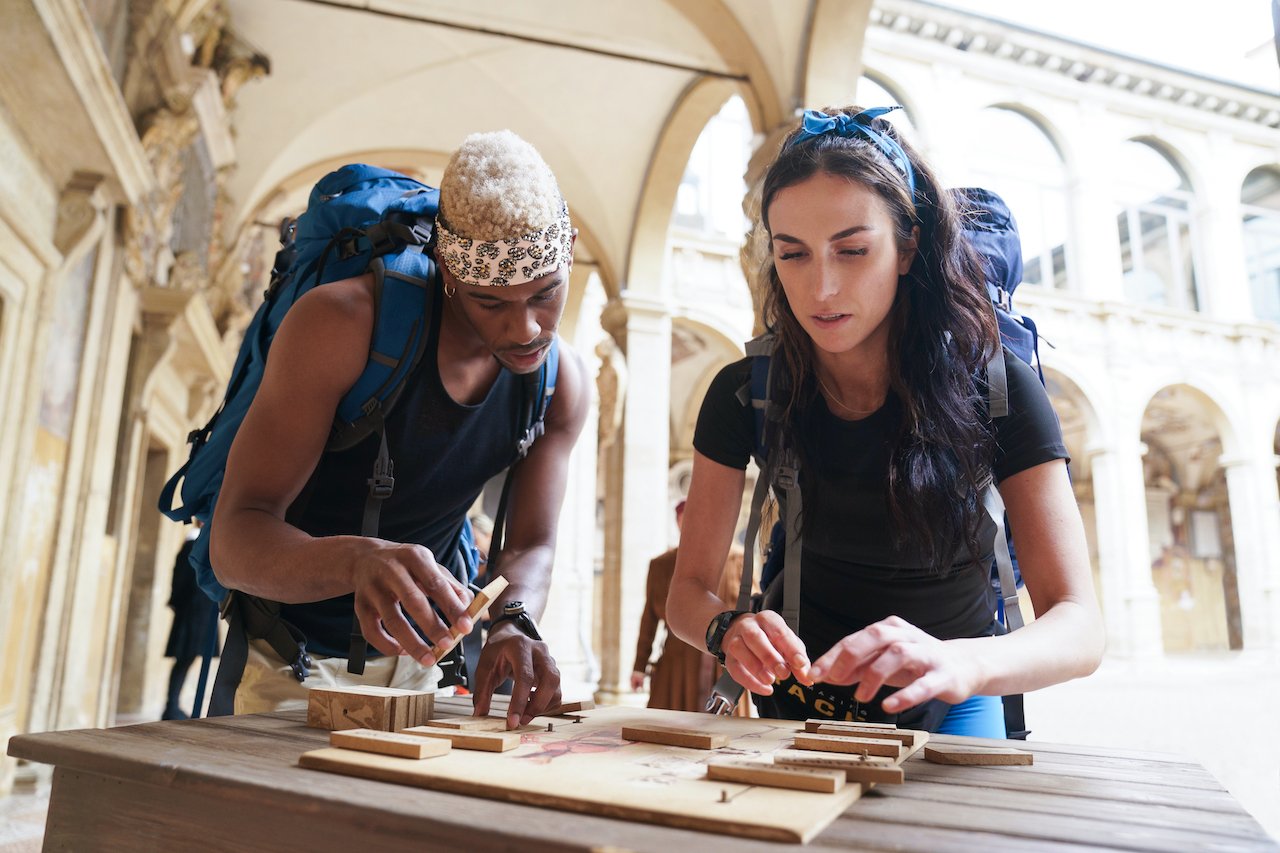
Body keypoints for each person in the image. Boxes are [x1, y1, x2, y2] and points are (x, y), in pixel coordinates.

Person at [667, 106, 1103, 735]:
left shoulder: (999, 386)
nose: (821, 288)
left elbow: (1080, 623)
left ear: (908, 246)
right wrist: (725, 629)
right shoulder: (747, 392)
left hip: (956, 691)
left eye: (852, 250)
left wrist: (963, 662)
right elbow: (689, 592)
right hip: (797, 697)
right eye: (793, 255)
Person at [211, 130, 589, 729]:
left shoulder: (560, 382)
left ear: (568, 249)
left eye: (546, 295)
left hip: (427, 675)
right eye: (492, 304)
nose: (526, 330)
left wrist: (514, 618)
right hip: (291, 668)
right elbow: (234, 540)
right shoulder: (342, 325)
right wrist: (357, 561)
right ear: (449, 273)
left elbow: (531, 545)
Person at [631, 500, 752, 715]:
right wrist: (639, 666)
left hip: (725, 662)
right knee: (674, 728)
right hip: (678, 663)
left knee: (724, 734)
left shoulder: (738, 560)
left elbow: (753, 609)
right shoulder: (661, 565)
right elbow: (649, 618)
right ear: (678, 523)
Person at [162, 521, 218, 720]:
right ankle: (171, 706)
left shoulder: (201, 545)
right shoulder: (193, 544)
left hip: (199, 612)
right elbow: (182, 581)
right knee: (183, 659)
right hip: (191, 613)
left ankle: (172, 705)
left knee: (187, 659)